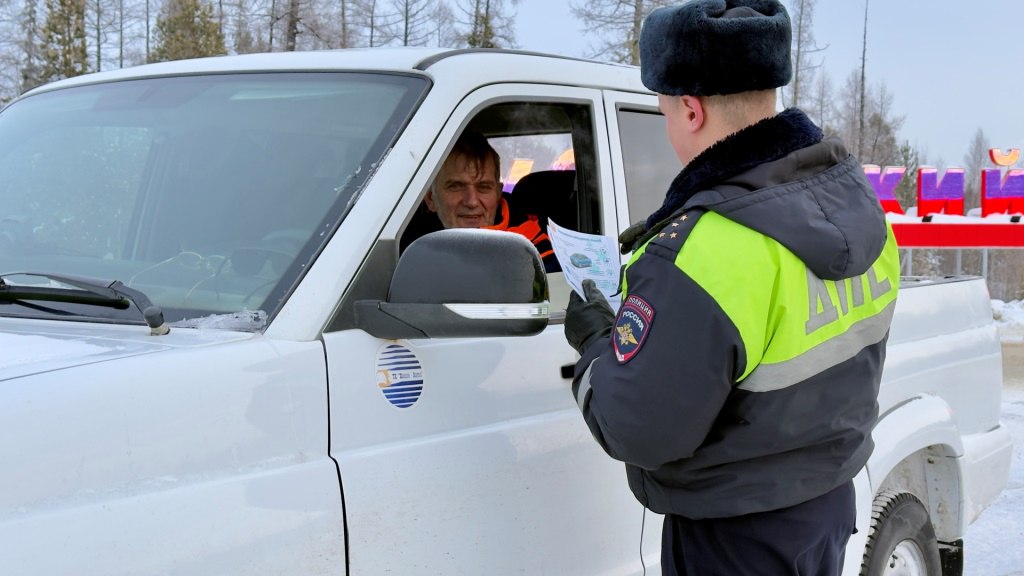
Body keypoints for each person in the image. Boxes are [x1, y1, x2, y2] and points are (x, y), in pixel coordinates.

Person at [562, 1, 901, 574]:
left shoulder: (703, 251)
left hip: (733, 538)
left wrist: (597, 345)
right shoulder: (856, 207)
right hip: (823, 508)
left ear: (690, 110)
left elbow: (640, 431)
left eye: (665, 109)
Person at [413, 131, 559, 272]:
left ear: (498, 193)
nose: (472, 201)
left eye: (483, 187)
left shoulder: (532, 248)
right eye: (456, 186)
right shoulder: (405, 243)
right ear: (431, 198)